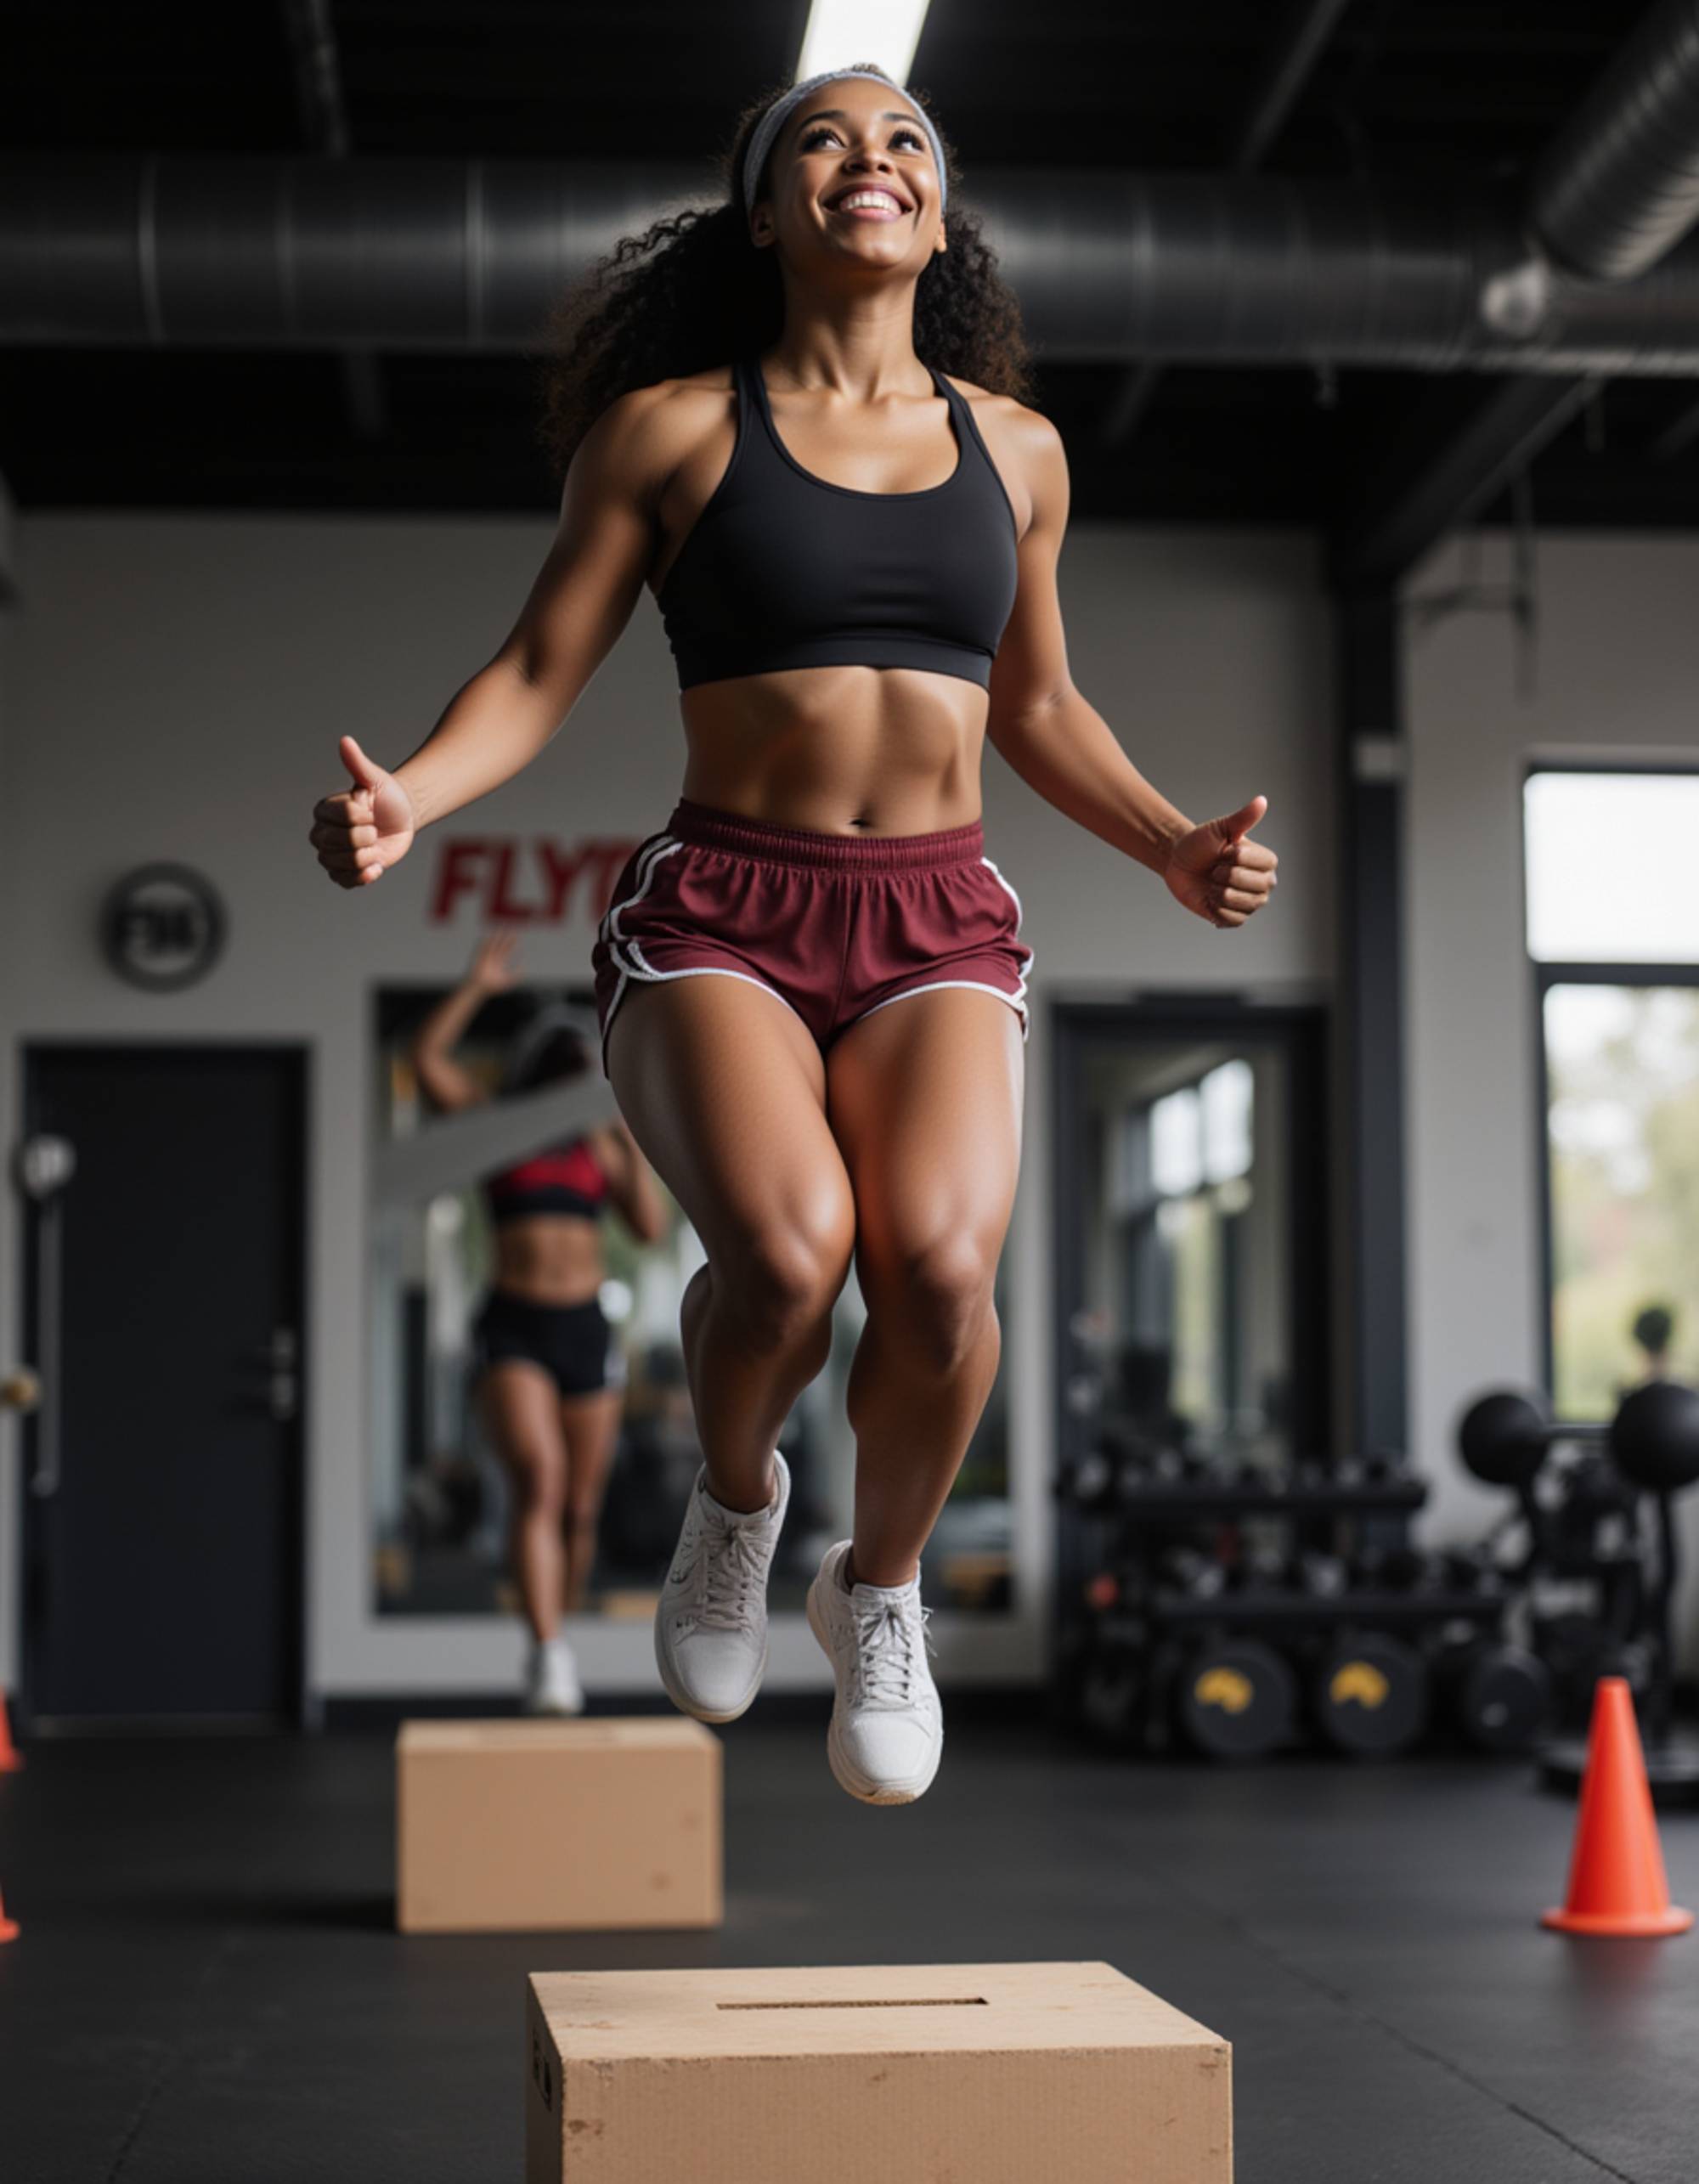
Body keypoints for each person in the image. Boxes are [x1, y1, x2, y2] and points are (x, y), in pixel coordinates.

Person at [310, 64, 1277, 1800]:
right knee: (787, 1255)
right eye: (822, 140)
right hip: (727, 912)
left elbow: (1039, 701)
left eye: (905, 139)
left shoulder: (1017, 451)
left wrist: (1164, 844)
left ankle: (875, 1589)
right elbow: (540, 668)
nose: (870, 159)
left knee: (943, 1265)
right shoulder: (674, 429)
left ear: (937, 212)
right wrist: (415, 800)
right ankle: (737, 1506)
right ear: (766, 210)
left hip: (937, 917)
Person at [409, 934, 666, 1713]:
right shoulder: (500, 1127)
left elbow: (651, 1227)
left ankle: (556, 1618)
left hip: (584, 1326)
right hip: (514, 1325)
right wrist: (477, 984)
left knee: (580, 1508)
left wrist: (614, 1121)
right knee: (540, 1483)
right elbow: (426, 1061)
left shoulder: (598, 1141)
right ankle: (548, 1652)